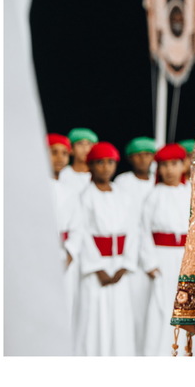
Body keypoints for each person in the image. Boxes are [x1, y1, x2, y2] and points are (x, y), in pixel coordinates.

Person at [65, 141, 142, 356]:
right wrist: (96, 267)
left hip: (119, 266)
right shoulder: (84, 197)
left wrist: (125, 264)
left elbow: (133, 231)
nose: (106, 167)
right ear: (91, 166)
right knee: (93, 318)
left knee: (120, 318)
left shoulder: (124, 196)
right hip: (95, 270)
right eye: (100, 163)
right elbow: (82, 233)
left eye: (110, 162)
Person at [137, 143, 193, 356]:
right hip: (161, 258)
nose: (169, 170)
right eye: (164, 165)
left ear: (183, 165)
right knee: (161, 308)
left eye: (174, 164)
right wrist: (150, 263)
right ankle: (159, 354)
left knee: (187, 307)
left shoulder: (190, 192)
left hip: (186, 258)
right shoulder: (153, 196)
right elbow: (142, 230)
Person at [115, 136, 158, 355]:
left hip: (154, 256)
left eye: (148, 154)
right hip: (131, 257)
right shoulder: (122, 182)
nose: (144, 159)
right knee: (131, 310)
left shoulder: (158, 182)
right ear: (131, 158)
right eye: (139, 155)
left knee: (153, 313)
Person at [47, 132, 82, 327]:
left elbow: (78, 227)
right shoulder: (35, 186)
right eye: (53, 152)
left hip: (65, 257)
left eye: (64, 153)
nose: (60, 158)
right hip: (42, 255)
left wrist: (69, 253)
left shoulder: (70, 190)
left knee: (66, 307)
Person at [59, 127, 99, 195]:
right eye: (80, 143)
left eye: (89, 144)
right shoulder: (62, 174)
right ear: (71, 149)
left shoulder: (100, 175)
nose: (85, 148)